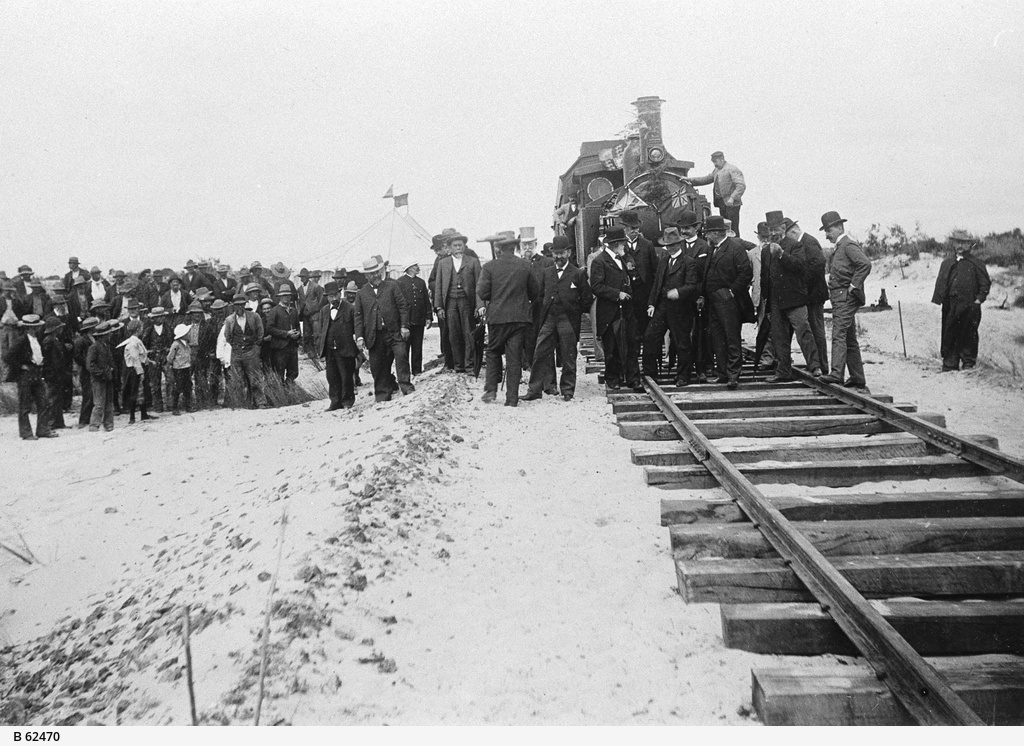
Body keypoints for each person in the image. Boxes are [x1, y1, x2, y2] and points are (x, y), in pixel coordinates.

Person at [523, 235, 592, 401]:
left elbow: (587, 299)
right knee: (540, 353)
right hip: (549, 319)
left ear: (568, 253)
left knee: (568, 354)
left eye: (561, 253)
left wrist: (574, 312)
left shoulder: (577, 273)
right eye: (556, 253)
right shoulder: (547, 273)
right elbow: (539, 296)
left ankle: (567, 390)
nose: (558, 257)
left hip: (567, 319)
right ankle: (534, 390)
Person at [477, 233, 540, 406]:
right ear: (514, 248)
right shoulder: (525, 265)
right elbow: (535, 291)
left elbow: (482, 292)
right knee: (514, 358)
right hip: (519, 318)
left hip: (497, 317)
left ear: (499, 249)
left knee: (493, 351)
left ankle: (491, 389)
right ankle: (511, 399)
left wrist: (496, 296)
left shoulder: (489, 267)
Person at [761, 213, 821, 383]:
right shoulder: (766, 251)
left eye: (776, 229)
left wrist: (781, 255)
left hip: (795, 299)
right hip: (776, 301)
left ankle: (814, 366)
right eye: (770, 229)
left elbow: (800, 267)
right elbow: (765, 278)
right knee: (779, 337)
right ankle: (783, 371)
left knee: (803, 331)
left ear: (784, 228)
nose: (773, 233)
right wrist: (766, 303)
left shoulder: (795, 246)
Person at [818, 211, 871, 390]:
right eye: (825, 231)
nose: (826, 234)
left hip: (845, 298)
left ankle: (836, 374)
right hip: (840, 297)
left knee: (838, 334)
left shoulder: (848, 245)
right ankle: (857, 377)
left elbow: (865, 264)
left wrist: (854, 286)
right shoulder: (841, 246)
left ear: (840, 227)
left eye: (829, 230)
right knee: (849, 337)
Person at [642, 225, 702, 385]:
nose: (669, 248)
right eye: (667, 246)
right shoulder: (663, 261)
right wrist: (651, 304)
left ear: (679, 244)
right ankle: (649, 374)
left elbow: (692, 285)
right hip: (662, 307)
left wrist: (678, 292)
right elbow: (657, 285)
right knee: (650, 337)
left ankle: (683, 376)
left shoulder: (689, 263)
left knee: (682, 342)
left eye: (673, 245)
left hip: (680, 309)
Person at [702, 215, 754, 389]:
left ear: (716, 232)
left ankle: (733, 375)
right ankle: (722, 373)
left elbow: (746, 273)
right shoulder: (712, 249)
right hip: (713, 300)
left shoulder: (735, 249)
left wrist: (732, 291)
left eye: (708, 233)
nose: (706, 236)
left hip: (728, 301)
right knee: (717, 338)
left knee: (731, 338)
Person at [590, 226, 643, 391]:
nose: (624, 246)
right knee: (611, 346)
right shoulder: (600, 261)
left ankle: (633, 378)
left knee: (631, 343)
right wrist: (616, 294)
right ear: (615, 243)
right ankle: (613, 378)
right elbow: (596, 286)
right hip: (609, 311)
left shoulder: (624, 259)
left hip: (626, 310)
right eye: (622, 243)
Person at [354, 256, 413, 402]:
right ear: (366, 276)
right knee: (378, 366)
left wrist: (404, 326)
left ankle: (406, 387)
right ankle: (382, 395)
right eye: (372, 273)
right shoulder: (361, 294)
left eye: (377, 272)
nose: (376, 275)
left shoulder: (392, 287)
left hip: (394, 332)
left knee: (401, 356)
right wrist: (360, 337)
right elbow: (358, 317)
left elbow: (402, 307)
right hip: (374, 336)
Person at [931, 229, 991, 372]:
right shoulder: (947, 263)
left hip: (969, 304)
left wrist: (978, 300)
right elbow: (942, 283)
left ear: (970, 245)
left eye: (964, 243)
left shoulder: (976, 263)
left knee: (968, 333)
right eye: (957, 242)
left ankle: (968, 363)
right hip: (950, 304)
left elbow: (985, 283)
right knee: (949, 332)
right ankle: (950, 364)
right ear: (953, 244)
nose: (960, 245)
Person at [433, 231, 481, 373]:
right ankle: (458, 365)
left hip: (467, 302)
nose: (458, 247)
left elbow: (479, 285)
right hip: (450, 303)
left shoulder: (473, 262)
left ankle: (469, 365)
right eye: (455, 245)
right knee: (453, 334)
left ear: (464, 246)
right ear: (450, 247)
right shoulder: (443, 263)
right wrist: (439, 306)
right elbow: (439, 286)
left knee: (468, 333)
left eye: (461, 245)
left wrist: (480, 305)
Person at [787, 218, 830, 374]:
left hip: (814, 295)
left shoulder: (808, 242)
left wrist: (802, 284)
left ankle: (823, 366)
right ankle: (818, 364)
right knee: (812, 329)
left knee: (817, 330)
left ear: (794, 231)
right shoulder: (803, 242)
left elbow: (817, 265)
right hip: (810, 294)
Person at [4, 315, 57, 440]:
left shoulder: (37, 339)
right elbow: (8, 356)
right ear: (27, 328)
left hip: (37, 372)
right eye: (32, 328)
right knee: (25, 404)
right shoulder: (21, 340)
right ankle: (26, 433)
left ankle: (43, 430)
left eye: (36, 327)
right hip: (26, 375)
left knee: (43, 402)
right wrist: (22, 365)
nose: (35, 329)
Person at [619, 210, 660, 349]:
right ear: (625, 229)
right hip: (627, 292)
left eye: (637, 228)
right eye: (632, 228)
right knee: (630, 327)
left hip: (644, 292)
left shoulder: (647, 245)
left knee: (645, 325)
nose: (635, 231)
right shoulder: (619, 246)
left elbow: (655, 270)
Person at [317, 281, 360, 410]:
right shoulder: (324, 311)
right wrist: (321, 348)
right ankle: (335, 402)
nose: (334, 298)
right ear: (327, 297)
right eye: (330, 296)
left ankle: (347, 401)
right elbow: (321, 330)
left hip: (346, 348)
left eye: (336, 295)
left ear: (340, 294)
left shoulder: (350, 308)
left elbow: (356, 328)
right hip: (330, 349)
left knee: (346, 376)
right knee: (332, 376)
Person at [222, 294, 269, 408]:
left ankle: (260, 402)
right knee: (239, 379)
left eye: (241, 304)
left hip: (251, 351)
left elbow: (260, 332)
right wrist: (236, 346)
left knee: (254, 378)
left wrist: (256, 347)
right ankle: (243, 403)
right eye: (237, 305)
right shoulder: (229, 320)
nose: (239, 307)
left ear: (245, 304)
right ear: (233, 306)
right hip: (237, 352)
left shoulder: (254, 316)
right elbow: (227, 336)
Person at [689, 151, 746, 237]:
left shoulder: (732, 169)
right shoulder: (717, 170)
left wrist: (732, 198)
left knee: (733, 228)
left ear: (722, 159)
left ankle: (736, 245)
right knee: (725, 227)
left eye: (716, 162)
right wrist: (689, 180)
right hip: (722, 204)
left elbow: (741, 186)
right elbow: (706, 179)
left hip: (731, 204)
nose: (715, 164)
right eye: (713, 162)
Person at [117, 319, 156, 424]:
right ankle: (132, 417)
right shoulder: (132, 343)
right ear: (138, 329)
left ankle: (144, 414)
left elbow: (141, 355)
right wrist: (141, 372)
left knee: (141, 391)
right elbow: (135, 359)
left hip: (139, 367)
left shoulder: (137, 341)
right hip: (134, 370)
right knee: (134, 392)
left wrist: (150, 361)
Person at [396, 261, 432, 376]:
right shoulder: (400, 282)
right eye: (415, 266)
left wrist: (428, 317)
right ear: (409, 268)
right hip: (406, 322)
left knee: (417, 347)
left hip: (419, 320)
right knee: (404, 349)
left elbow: (426, 300)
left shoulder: (421, 282)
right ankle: (405, 373)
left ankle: (417, 371)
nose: (418, 267)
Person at [87, 320, 120, 432]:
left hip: (108, 378)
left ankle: (108, 424)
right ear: (103, 336)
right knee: (99, 403)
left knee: (109, 403)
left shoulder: (106, 346)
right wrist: (103, 372)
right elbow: (90, 366)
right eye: (108, 334)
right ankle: (94, 425)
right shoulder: (94, 347)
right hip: (98, 380)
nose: (110, 335)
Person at [266, 288, 301, 384]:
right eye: (284, 295)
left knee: (294, 372)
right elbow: (270, 328)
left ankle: (288, 390)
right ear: (280, 297)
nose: (286, 298)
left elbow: (297, 325)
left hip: (292, 346)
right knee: (279, 373)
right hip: (280, 347)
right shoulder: (274, 311)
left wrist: (298, 334)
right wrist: (286, 334)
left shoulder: (293, 311)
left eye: (288, 295)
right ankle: (281, 395)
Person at [41, 316, 68, 430]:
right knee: (52, 399)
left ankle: (58, 422)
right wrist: (51, 373)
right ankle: (51, 422)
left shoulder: (55, 339)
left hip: (57, 373)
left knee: (57, 398)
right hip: (52, 374)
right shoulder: (49, 340)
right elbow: (48, 360)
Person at [142, 307, 172, 412]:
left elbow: (172, 341)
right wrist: (149, 352)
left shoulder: (168, 328)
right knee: (155, 382)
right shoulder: (148, 329)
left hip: (165, 357)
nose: (161, 319)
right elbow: (144, 344)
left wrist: (169, 349)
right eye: (158, 317)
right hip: (154, 358)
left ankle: (170, 404)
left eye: (162, 316)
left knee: (170, 379)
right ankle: (158, 406)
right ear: (153, 319)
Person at [73, 317, 99, 427]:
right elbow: (77, 356)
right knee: (88, 395)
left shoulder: (94, 338)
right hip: (85, 370)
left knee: (94, 394)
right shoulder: (81, 341)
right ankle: (83, 420)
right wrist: (88, 363)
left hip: (93, 369)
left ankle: (90, 418)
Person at [296, 268, 325, 357]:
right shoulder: (300, 289)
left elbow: (322, 300)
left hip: (315, 314)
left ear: (308, 277)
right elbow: (300, 301)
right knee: (306, 335)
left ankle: (321, 353)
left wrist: (315, 309)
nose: (302, 279)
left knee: (317, 335)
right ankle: (310, 353)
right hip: (305, 315)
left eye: (304, 277)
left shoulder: (316, 287)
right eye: (301, 277)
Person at [167, 323, 194, 415]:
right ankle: (174, 407)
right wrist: (172, 364)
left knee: (187, 387)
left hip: (186, 367)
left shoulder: (186, 343)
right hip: (178, 368)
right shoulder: (176, 344)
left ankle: (188, 406)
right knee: (177, 387)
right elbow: (170, 357)